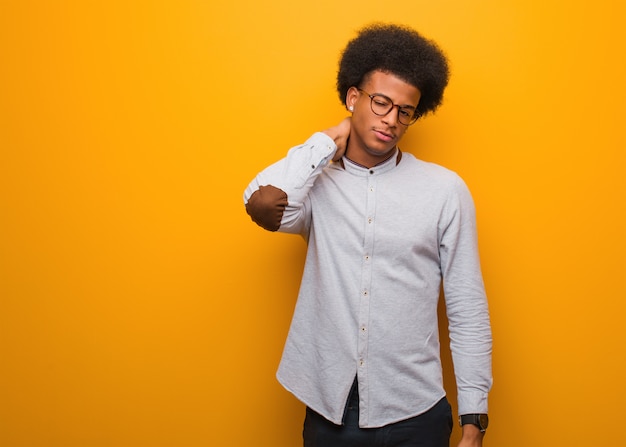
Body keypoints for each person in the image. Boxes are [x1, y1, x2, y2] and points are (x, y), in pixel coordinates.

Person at [243, 23, 492, 447]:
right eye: (380, 102)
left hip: (417, 411)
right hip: (330, 410)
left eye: (405, 111)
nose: (391, 120)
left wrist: (474, 416)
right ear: (352, 97)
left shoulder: (445, 190)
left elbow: (467, 306)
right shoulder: (314, 186)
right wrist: (326, 141)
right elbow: (264, 204)